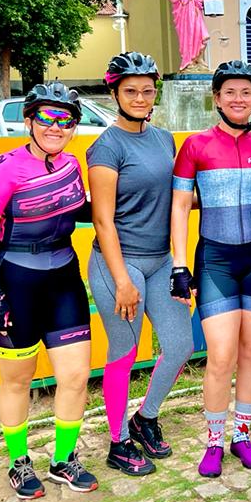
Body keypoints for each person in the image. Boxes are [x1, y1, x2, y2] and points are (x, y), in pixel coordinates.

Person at [0, 83, 97, 499]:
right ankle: (19, 462)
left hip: (63, 278)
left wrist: (124, 204)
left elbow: (77, 211)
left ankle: (63, 459)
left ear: (74, 127)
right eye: (46, 117)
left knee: (76, 376)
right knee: (17, 381)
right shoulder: (4, 166)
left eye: (65, 120)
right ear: (28, 121)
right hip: (13, 282)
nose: (55, 127)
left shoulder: (71, 166)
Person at [170, 60, 251, 478]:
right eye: (229, 92)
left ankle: (243, 435)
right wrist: (180, 265)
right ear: (216, 98)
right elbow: (180, 207)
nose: (238, 99)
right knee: (221, 355)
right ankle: (214, 440)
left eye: (246, 92)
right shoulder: (196, 146)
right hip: (214, 260)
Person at [88, 52, 194, 477]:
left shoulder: (164, 139)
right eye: (130, 90)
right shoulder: (106, 146)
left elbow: (174, 199)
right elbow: (102, 218)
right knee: (125, 352)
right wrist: (121, 280)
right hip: (120, 263)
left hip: (160, 259)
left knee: (181, 344)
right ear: (114, 93)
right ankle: (117, 442)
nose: (139, 97)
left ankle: (145, 417)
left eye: (147, 90)